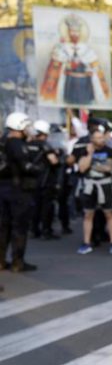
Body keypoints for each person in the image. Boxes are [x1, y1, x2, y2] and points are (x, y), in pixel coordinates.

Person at [0, 112, 38, 271]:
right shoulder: (17, 143)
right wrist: (38, 169)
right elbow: (26, 166)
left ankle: (1, 261)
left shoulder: (3, 142)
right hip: (18, 190)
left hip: (3, 188)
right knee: (20, 227)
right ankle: (18, 262)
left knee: (3, 227)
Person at [74, 129, 112, 255]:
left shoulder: (109, 151)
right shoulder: (85, 151)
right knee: (88, 214)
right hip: (90, 185)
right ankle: (86, 242)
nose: (102, 140)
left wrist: (93, 165)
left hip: (105, 184)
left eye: (102, 137)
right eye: (98, 138)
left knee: (109, 213)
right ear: (92, 139)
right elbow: (82, 168)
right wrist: (90, 155)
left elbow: (108, 168)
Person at [27, 120, 62, 240]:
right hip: (45, 180)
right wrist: (58, 156)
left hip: (31, 180)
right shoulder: (45, 145)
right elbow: (54, 161)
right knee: (46, 207)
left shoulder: (27, 144)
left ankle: (33, 229)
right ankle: (46, 230)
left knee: (34, 206)